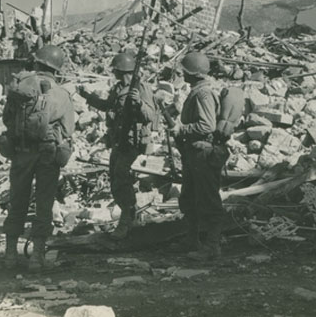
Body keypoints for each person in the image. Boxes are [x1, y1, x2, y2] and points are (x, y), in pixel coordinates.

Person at [2, 45, 75, 271]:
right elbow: (68, 128)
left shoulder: (22, 87)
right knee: (44, 204)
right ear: (56, 68)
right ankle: (37, 257)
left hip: (22, 152)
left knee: (17, 202)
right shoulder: (62, 94)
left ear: (37, 63)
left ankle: (10, 254)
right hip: (47, 154)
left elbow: (7, 119)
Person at [78, 52, 156, 240]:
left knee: (122, 180)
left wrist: (139, 103)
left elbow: (151, 116)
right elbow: (107, 106)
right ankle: (133, 216)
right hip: (119, 141)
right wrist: (87, 96)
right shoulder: (119, 88)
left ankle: (126, 221)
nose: (113, 74)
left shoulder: (142, 88)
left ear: (121, 71)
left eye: (116, 71)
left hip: (133, 143)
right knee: (115, 181)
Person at [170, 52, 229, 261]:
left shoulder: (203, 94)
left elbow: (207, 125)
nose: (181, 74)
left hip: (204, 153)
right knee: (190, 197)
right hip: (195, 153)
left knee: (208, 200)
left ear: (193, 73)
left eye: (184, 71)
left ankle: (212, 246)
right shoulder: (197, 91)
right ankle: (192, 239)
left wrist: (181, 129)